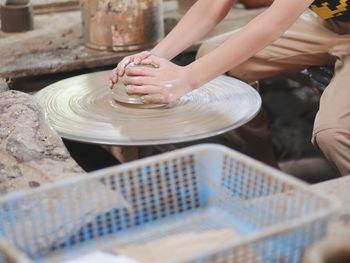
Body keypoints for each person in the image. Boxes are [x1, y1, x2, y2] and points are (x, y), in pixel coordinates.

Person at [109, 0, 350, 176]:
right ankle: (264, 172)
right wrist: (154, 56)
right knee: (214, 58)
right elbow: (211, 7)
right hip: (331, 24)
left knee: (333, 133)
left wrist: (187, 78)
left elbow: (272, 25)